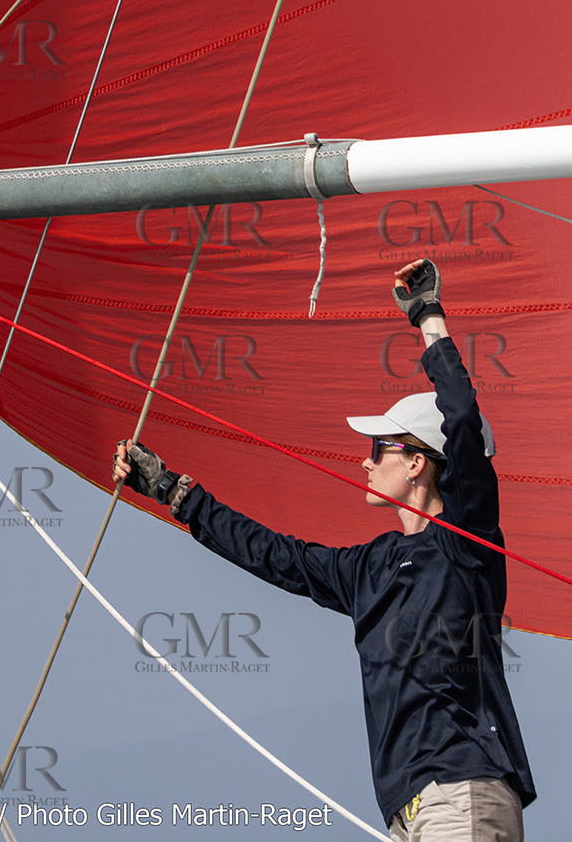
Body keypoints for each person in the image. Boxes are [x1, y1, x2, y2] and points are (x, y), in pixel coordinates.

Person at [113, 259, 534, 840]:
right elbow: (271, 554)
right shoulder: (368, 568)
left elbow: (461, 418)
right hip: (405, 810)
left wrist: (427, 315)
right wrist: (171, 492)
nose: (363, 459)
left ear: (417, 463)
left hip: (462, 788)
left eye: (378, 448)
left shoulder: (469, 542)